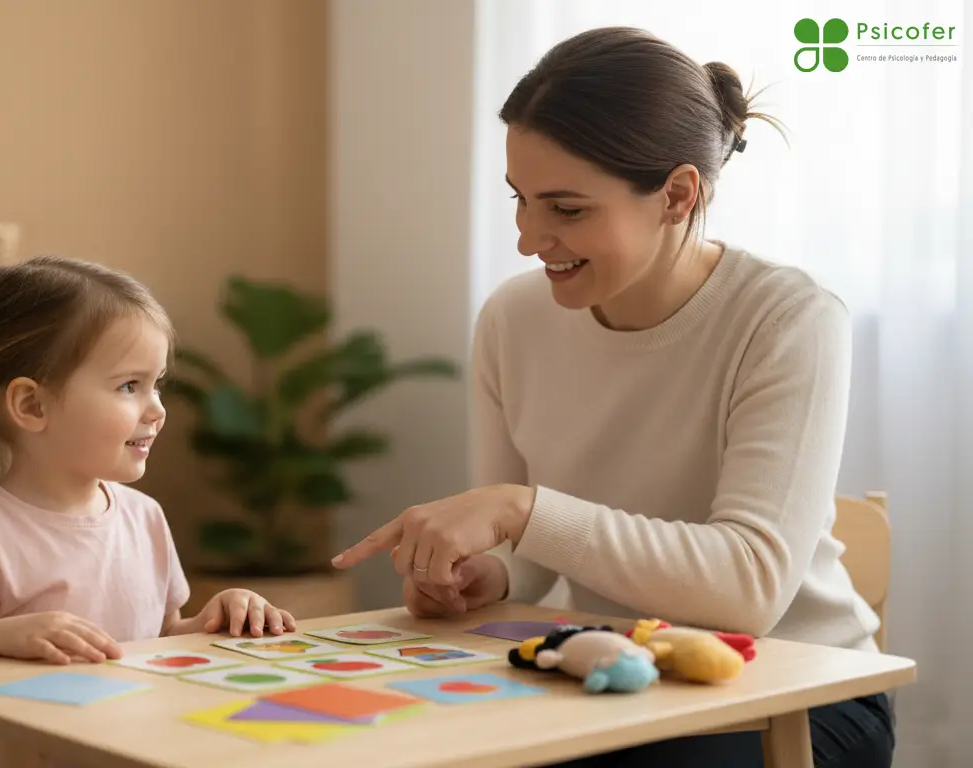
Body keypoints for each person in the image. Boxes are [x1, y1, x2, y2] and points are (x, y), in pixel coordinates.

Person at [330, 27, 894, 768]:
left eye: (566, 209)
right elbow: (528, 560)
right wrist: (480, 577)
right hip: (605, 674)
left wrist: (521, 510)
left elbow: (749, 587)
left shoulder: (787, 319)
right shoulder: (513, 318)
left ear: (677, 194)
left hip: (794, 690)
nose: (530, 238)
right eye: (520, 200)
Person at [0, 256, 297, 768]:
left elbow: (156, 641)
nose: (157, 409)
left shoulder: (144, 517)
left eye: (158, 383)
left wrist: (219, 618)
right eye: (130, 386)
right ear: (32, 406)